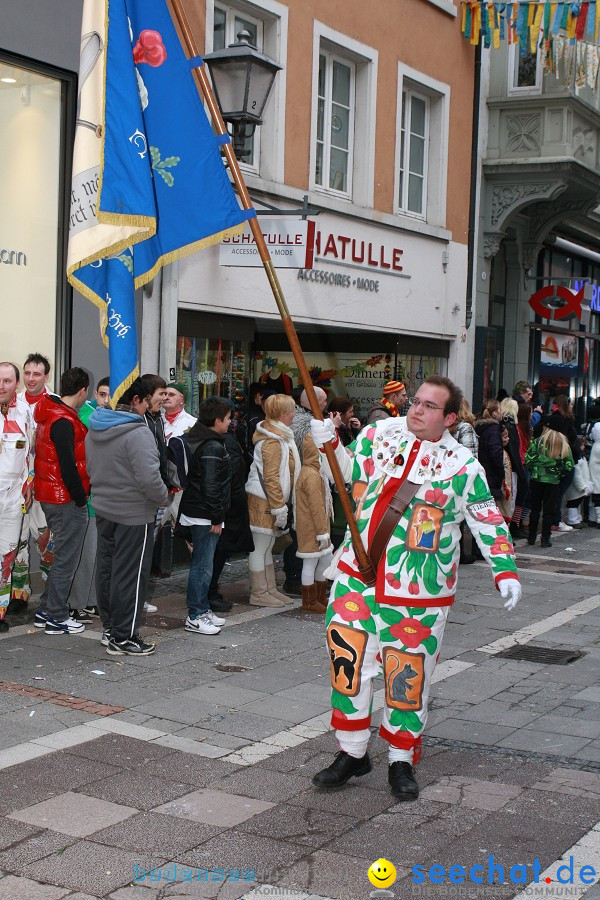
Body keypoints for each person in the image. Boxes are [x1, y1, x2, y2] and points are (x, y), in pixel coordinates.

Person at [309, 375, 521, 802]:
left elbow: (486, 519)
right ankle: (351, 752)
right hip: (356, 575)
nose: (416, 410)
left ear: (448, 418)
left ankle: (400, 759)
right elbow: (353, 477)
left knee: (407, 677)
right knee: (348, 667)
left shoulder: (462, 465)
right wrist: (329, 445)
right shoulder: (378, 434)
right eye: (416, 402)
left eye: (428, 406)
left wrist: (505, 570)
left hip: (417, 592)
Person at [86, 377, 168, 655]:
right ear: (137, 400)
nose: (158, 402)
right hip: (134, 511)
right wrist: (162, 498)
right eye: (154, 398)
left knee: (108, 570)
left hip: (105, 507)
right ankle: (123, 636)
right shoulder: (138, 431)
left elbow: (91, 466)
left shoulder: (97, 425)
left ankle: (111, 629)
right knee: (131, 575)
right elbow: (149, 477)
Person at [33, 368, 90, 636]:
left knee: (61, 557)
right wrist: (80, 498)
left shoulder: (51, 413)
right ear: (82, 391)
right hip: (64, 498)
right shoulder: (64, 421)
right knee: (66, 558)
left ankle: (47, 609)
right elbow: (68, 466)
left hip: (53, 496)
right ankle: (56, 616)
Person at [180, 397, 232, 636]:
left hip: (200, 511)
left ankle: (202, 608)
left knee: (204, 564)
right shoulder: (212, 445)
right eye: (229, 418)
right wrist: (216, 517)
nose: (230, 423)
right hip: (203, 514)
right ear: (218, 420)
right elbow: (211, 485)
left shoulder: (204, 438)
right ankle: (196, 614)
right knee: (202, 565)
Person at [246, 393, 300, 608]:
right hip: (264, 499)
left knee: (266, 547)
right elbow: (271, 477)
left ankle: (268, 589)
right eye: (292, 410)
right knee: (260, 547)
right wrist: (279, 507)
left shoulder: (280, 436)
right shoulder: (273, 440)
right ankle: (259, 592)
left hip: (269, 498)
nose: (295, 414)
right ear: (285, 414)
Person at [9, 353, 52, 614]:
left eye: (37, 374)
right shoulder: (12, 403)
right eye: (27, 373)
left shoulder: (55, 403)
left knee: (46, 538)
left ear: (45, 376)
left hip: (45, 484)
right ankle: (19, 594)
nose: (31, 379)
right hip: (17, 486)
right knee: (17, 540)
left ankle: (52, 595)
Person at [282, 386, 328, 596]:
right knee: (300, 540)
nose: (326, 404)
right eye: (323, 400)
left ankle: (309, 588)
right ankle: (296, 581)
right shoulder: (306, 426)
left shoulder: (305, 423)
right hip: (301, 486)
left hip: (301, 482)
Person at [207, 414, 254, 614]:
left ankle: (209, 592)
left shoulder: (221, 440)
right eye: (227, 418)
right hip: (225, 507)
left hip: (222, 505)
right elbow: (230, 476)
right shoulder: (223, 442)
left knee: (214, 552)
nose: (230, 422)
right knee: (216, 553)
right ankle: (208, 594)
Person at [0, 363, 35, 632]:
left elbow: (31, 455)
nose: (2, 385)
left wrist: (29, 486)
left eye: (8, 381)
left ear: (17, 384)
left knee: (7, 556)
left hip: (14, 497)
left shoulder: (26, 413)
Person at [295, 433, 333, 613]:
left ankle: (318, 596)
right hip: (311, 526)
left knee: (325, 559)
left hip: (316, 525)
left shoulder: (315, 472)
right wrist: (322, 531)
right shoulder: (311, 474)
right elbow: (316, 505)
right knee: (310, 562)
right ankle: (309, 600)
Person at [525, 427, 574, 548]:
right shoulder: (563, 443)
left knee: (535, 508)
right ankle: (545, 539)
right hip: (553, 481)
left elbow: (528, 460)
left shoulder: (537, 442)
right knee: (549, 511)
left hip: (537, 479)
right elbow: (569, 465)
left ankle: (531, 536)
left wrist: (535, 469)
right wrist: (558, 473)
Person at [550, 396, 581, 533]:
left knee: (558, 492)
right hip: (565, 459)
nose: (572, 406)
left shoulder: (559, 420)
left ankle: (555, 520)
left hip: (564, 458)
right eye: (570, 404)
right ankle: (555, 520)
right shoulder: (563, 421)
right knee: (559, 492)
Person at [500, 397, 527, 540]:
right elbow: (515, 451)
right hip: (511, 468)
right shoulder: (510, 425)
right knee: (509, 500)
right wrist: (521, 471)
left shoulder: (504, 424)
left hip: (510, 466)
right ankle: (507, 532)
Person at [474, 400, 504, 503]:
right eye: (500, 410)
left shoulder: (479, 427)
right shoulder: (494, 429)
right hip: (491, 473)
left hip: (482, 471)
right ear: (495, 413)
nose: (502, 412)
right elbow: (495, 453)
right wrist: (501, 471)